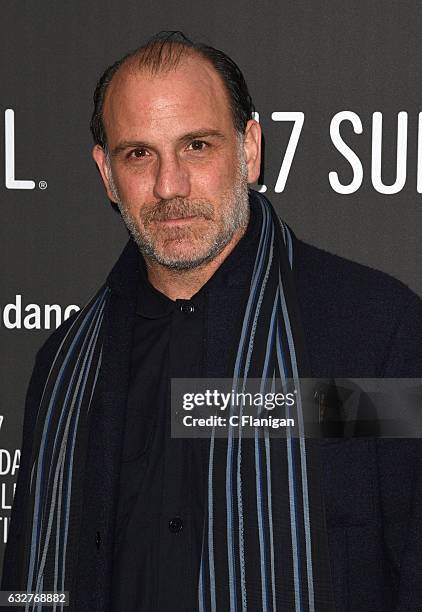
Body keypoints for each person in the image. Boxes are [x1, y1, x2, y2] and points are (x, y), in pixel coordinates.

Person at [2, 31, 422, 612]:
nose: (169, 186)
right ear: (105, 173)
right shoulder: (65, 368)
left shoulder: (375, 332)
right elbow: (32, 587)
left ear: (249, 149)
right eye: (138, 153)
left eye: (196, 146)